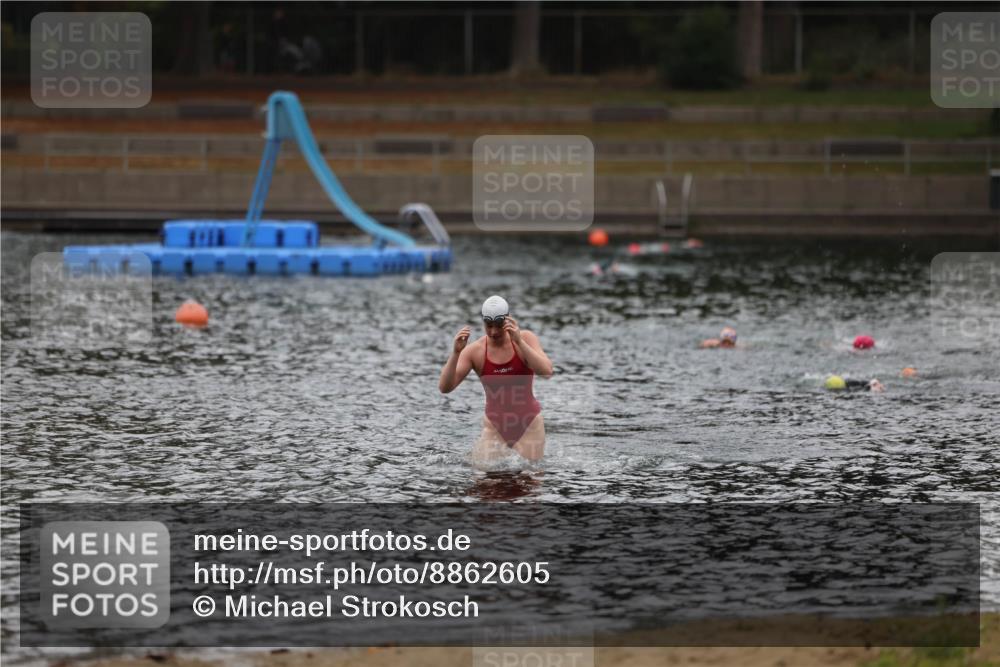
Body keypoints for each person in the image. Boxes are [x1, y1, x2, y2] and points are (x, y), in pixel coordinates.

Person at [439, 296, 553, 462]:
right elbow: (445, 387)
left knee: (529, 482)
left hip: (529, 425)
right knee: (487, 484)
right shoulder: (475, 351)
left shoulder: (526, 339)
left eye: (498, 325)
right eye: (489, 326)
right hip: (494, 427)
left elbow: (547, 371)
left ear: (508, 320)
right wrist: (455, 354)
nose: (493, 332)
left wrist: (519, 342)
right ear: (483, 323)